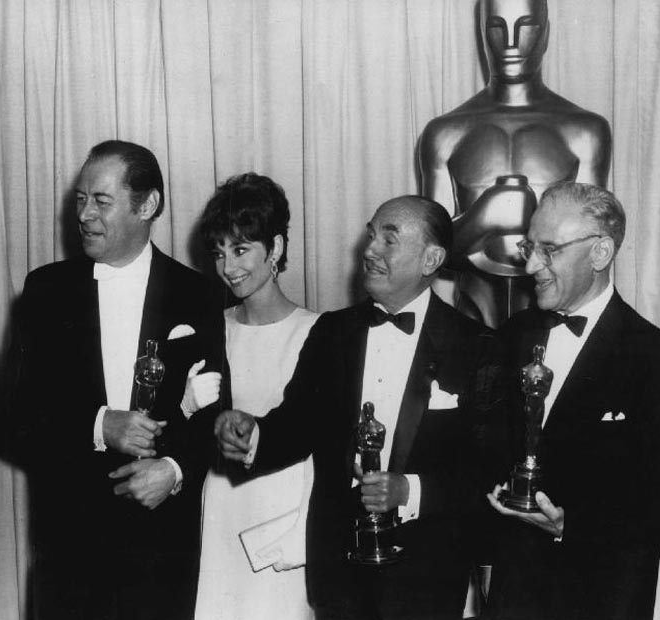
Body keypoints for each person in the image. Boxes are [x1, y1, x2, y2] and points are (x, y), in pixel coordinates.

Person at [215, 195, 507, 620]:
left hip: (426, 577)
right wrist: (252, 434)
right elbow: (297, 424)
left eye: (389, 240)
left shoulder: (478, 346)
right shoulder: (333, 331)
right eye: (371, 236)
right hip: (339, 574)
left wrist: (410, 491)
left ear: (431, 259)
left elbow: (489, 470)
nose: (369, 250)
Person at [6, 140, 226, 620]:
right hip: (68, 556)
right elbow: (10, 420)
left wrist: (175, 469)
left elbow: (219, 415)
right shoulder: (46, 291)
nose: (84, 215)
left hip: (162, 556)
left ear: (147, 205)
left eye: (101, 201)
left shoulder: (200, 295)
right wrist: (99, 425)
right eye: (81, 199)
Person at [485, 182, 660, 620]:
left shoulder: (657, 358)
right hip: (514, 590)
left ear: (600, 253)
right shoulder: (511, 336)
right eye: (530, 247)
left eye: (549, 250)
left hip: (603, 594)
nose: (531, 265)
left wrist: (571, 525)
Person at [418, 0, 612, 328]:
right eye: (497, 27)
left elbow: (592, 252)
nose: (510, 42)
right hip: (470, 317)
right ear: (482, 33)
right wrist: (483, 219)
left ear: (546, 33)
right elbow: (430, 254)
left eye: (526, 25)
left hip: (553, 320)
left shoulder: (585, 131)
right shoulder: (445, 133)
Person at [184, 173, 318, 619]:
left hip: (285, 514)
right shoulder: (209, 330)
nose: (228, 267)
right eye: (219, 253)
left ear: (275, 248)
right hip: (222, 509)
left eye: (240, 249)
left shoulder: (318, 332)